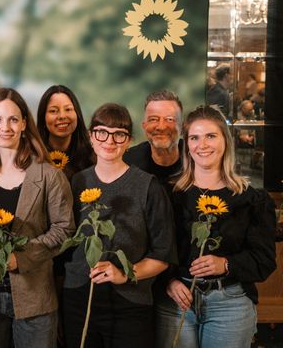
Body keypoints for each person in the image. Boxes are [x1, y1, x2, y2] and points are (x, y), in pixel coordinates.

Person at [0, 87, 74, 348]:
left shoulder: (48, 175)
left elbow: (64, 230)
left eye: (12, 119)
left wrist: (19, 258)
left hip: (33, 295)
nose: (5, 127)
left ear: (24, 123)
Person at [154, 105, 276, 348]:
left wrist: (226, 263)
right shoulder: (167, 194)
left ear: (225, 141)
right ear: (186, 144)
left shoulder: (252, 199)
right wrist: (169, 281)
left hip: (230, 304)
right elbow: (154, 247)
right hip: (177, 303)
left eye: (211, 136)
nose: (203, 145)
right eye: (194, 137)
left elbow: (264, 260)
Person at [63, 103, 175, 348]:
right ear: (92, 137)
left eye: (119, 134)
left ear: (128, 141)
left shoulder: (148, 186)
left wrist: (125, 274)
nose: (109, 141)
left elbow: (163, 254)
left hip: (131, 304)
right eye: (101, 132)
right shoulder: (77, 182)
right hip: (79, 298)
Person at [123, 89, 184, 188]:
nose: (161, 127)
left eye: (169, 119)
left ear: (181, 126)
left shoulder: (197, 158)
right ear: (144, 125)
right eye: (153, 119)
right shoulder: (127, 163)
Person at [36, 84, 94, 181]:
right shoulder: (34, 155)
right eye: (53, 111)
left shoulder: (92, 155)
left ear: (77, 114)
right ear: (43, 117)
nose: (62, 116)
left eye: (68, 109)